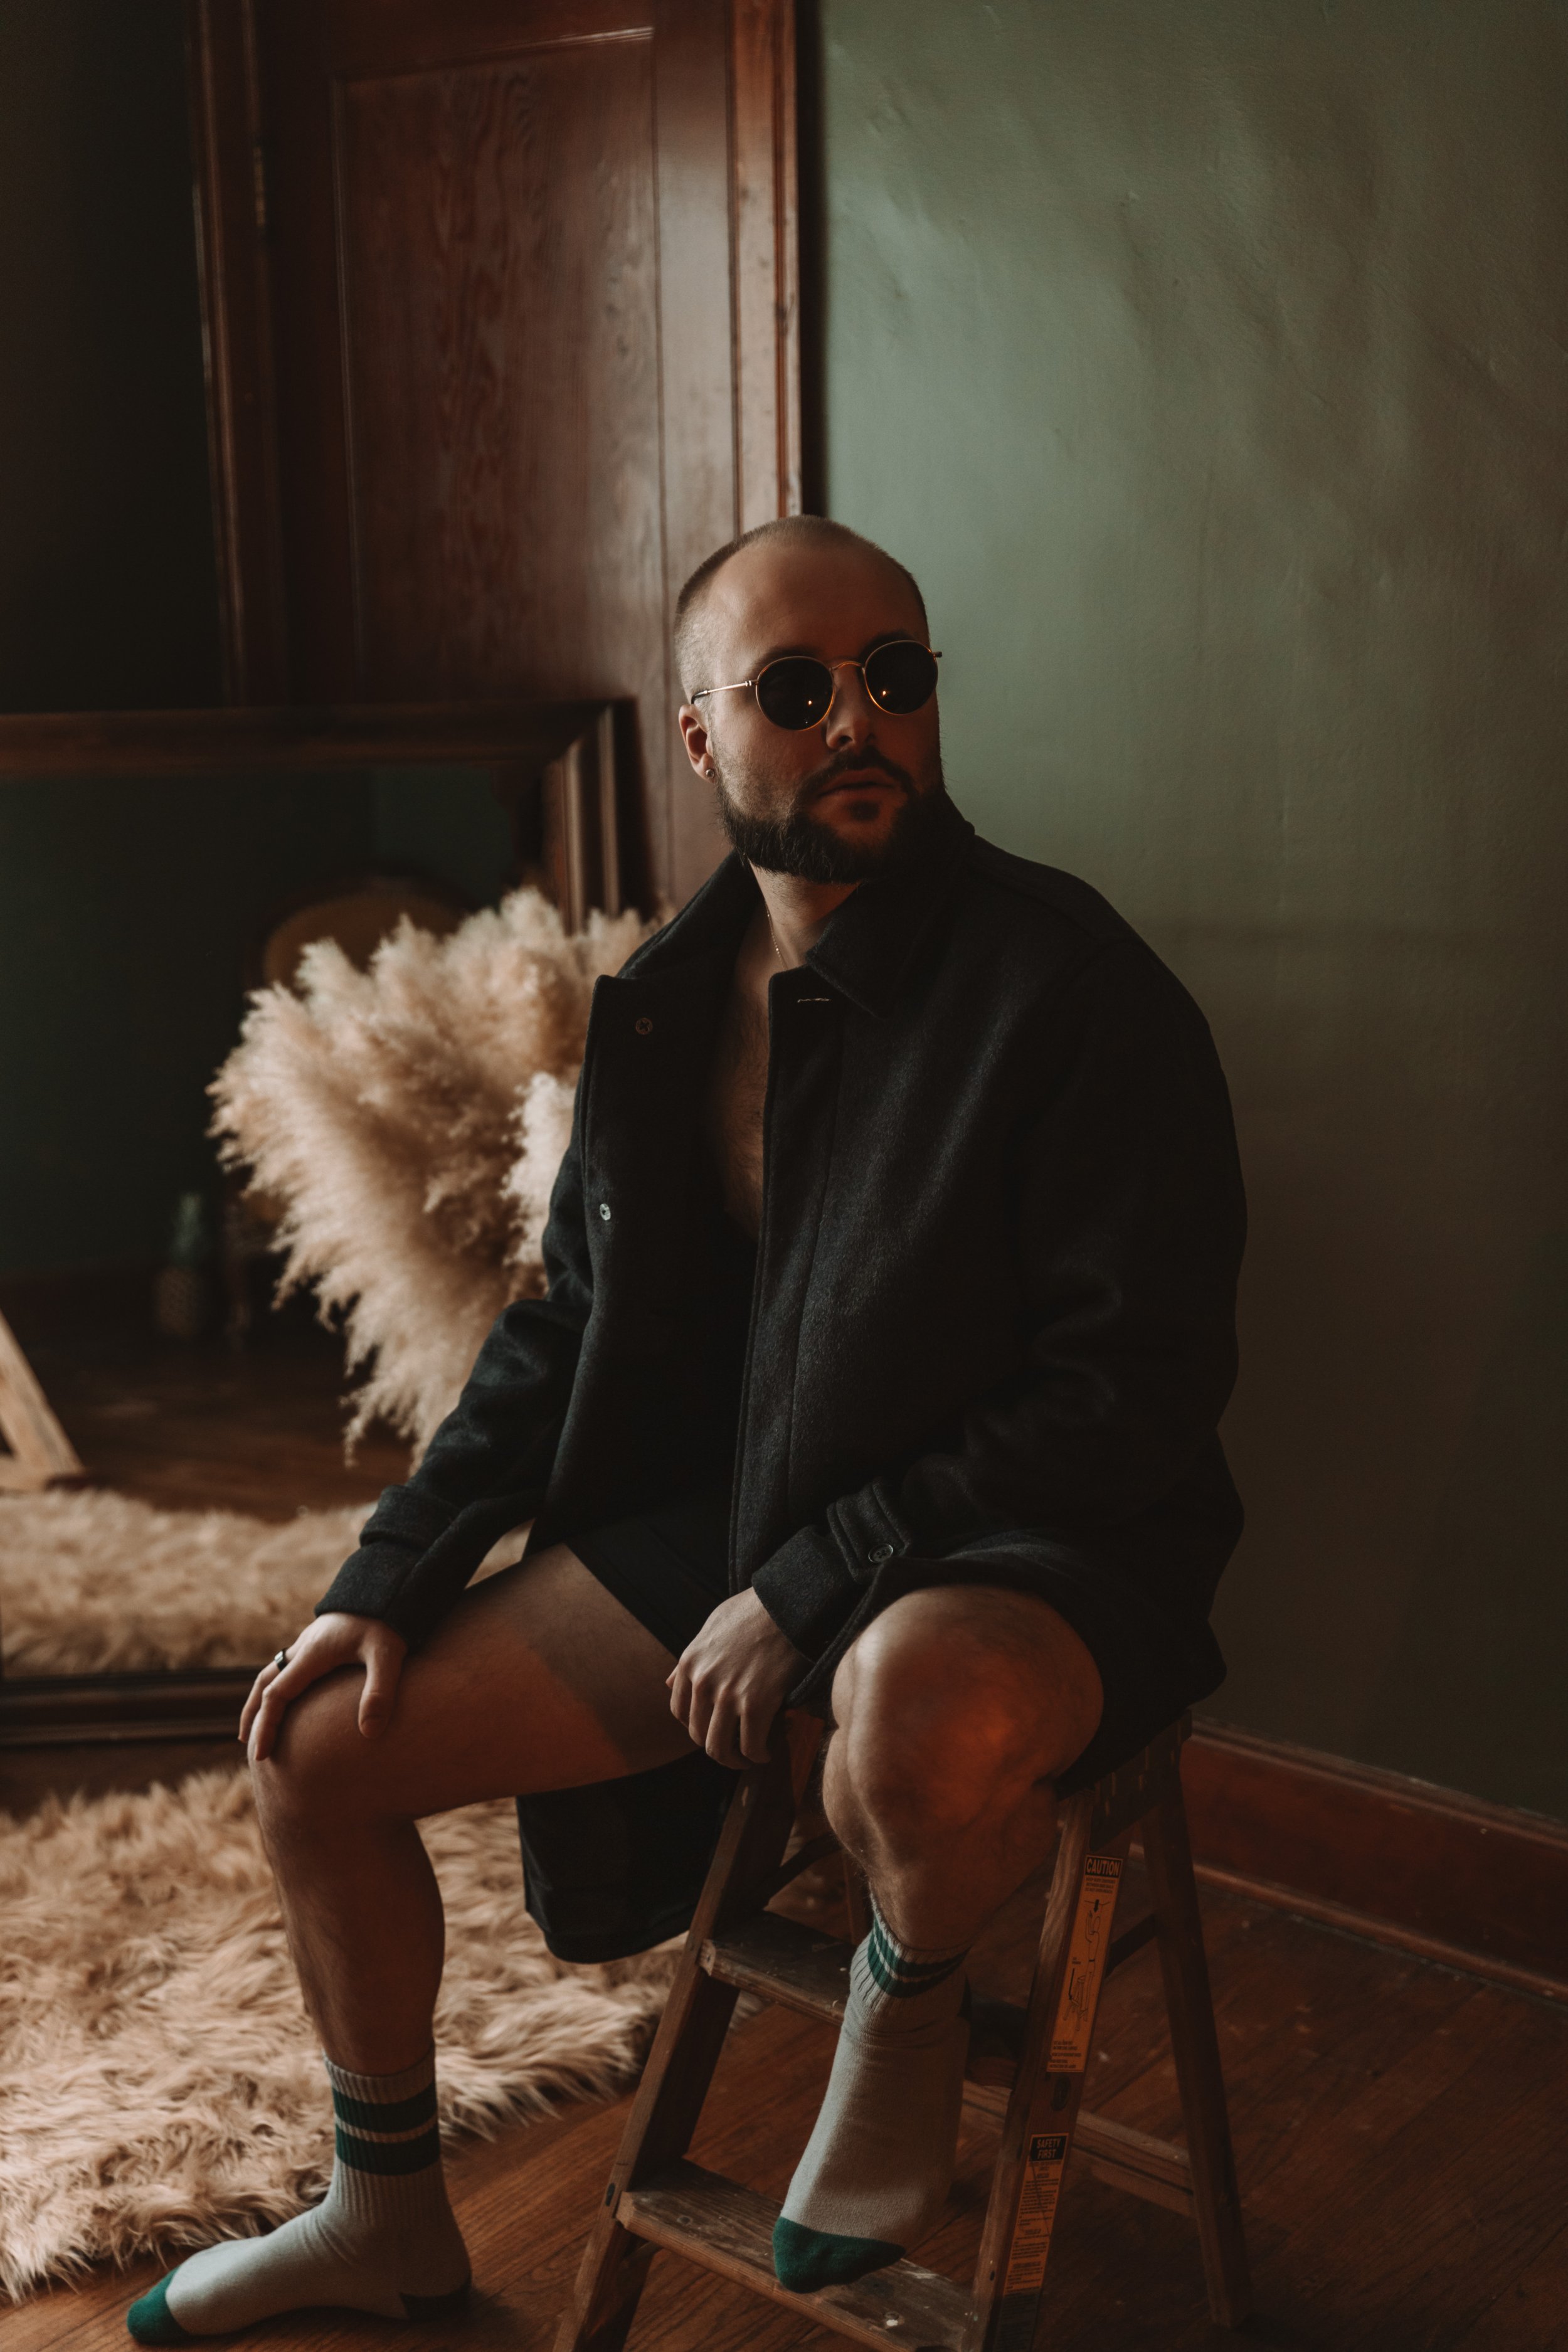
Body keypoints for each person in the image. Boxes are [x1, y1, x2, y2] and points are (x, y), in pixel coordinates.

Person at [128, 515, 1245, 2344]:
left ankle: (905, 1996)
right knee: (314, 1745)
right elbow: (563, 1331)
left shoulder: (1072, 988)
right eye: (799, 689)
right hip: (750, 1518)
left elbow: (1127, 1392)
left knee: (904, 1705)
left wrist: (813, 1580)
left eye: (897, 675)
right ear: (705, 734)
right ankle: (383, 2211)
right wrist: (390, 1573)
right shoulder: (656, 1005)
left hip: (1040, 1537)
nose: (861, 720)